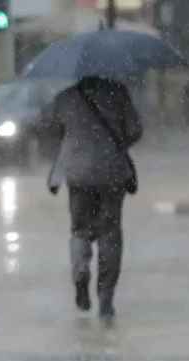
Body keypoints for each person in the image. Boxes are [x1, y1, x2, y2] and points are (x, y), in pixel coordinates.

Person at [47, 76, 142, 319]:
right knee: (110, 233)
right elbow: (134, 130)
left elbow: (54, 132)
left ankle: (80, 273)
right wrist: (114, 140)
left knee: (80, 230)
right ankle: (106, 297)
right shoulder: (118, 93)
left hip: (78, 174)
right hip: (111, 171)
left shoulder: (65, 97)